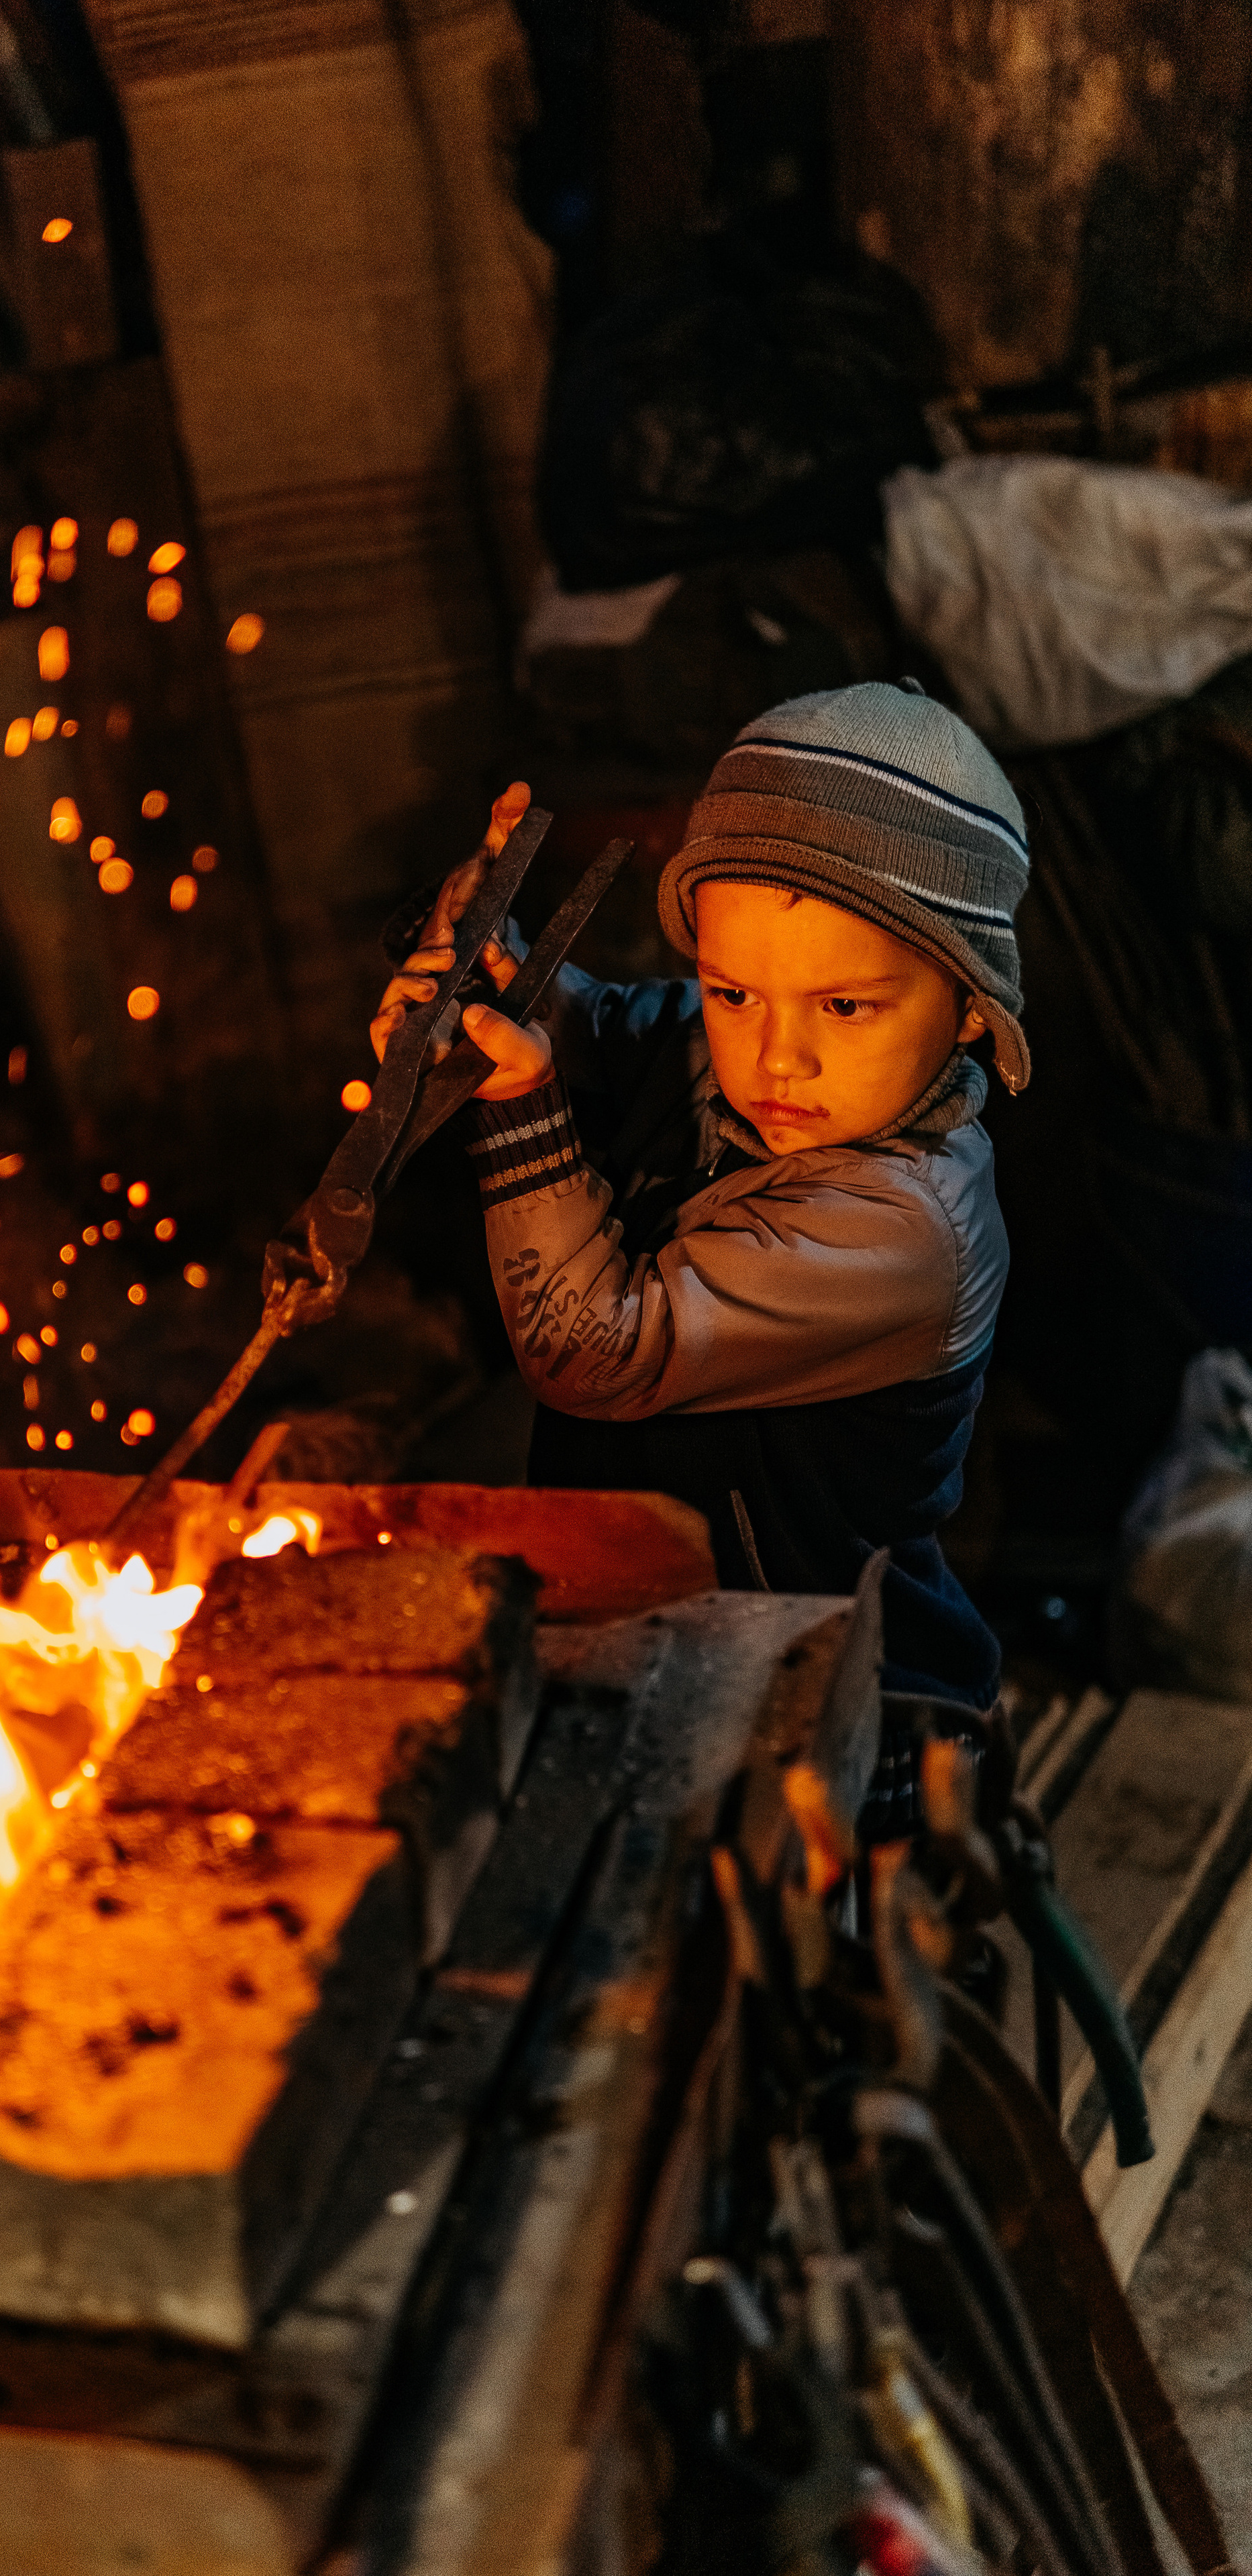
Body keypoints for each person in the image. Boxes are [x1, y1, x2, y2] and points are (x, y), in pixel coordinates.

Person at [370, 681, 1029, 1837]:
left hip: (833, 1708)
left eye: (847, 1007)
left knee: (792, 1985)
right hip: (678, 1654)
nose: (778, 1056)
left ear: (971, 1008)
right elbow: (610, 1034)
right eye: (734, 991)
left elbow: (595, 1350)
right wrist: (485, 982)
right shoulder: (735, 1060)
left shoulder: (901, 1227)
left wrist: (519, 1102)